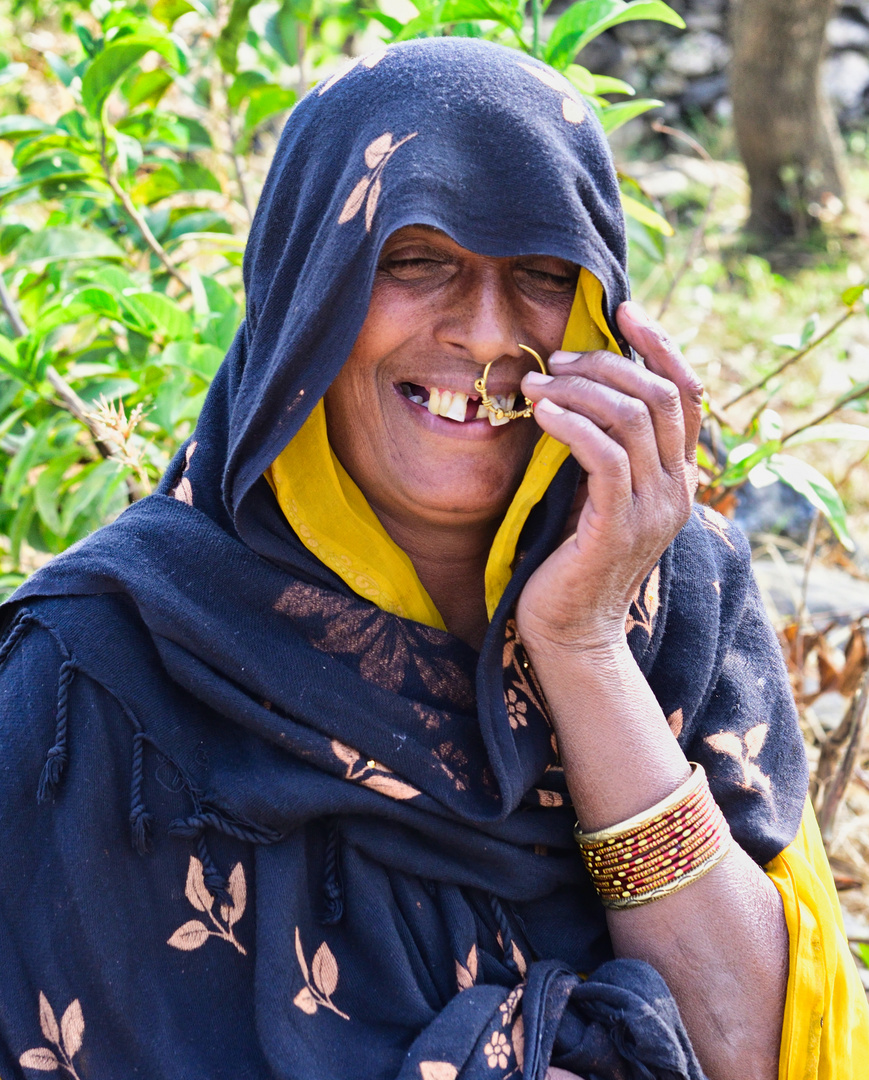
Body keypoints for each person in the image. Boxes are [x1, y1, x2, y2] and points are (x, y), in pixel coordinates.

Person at [0, 37, 866, 1080]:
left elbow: (760, 1052)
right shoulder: (96, 674)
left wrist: (580, 644)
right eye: (416, 262)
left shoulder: (675, 600)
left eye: (544, 275)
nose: (490, 333)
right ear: (305, 290)